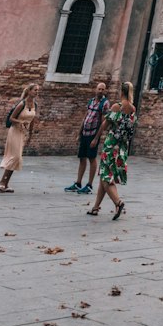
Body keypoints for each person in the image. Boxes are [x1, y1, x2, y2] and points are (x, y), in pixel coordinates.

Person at [88, 82, 136, 220]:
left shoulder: (117, 107)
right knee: (106, 174)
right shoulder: (133, 108)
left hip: (111, 145)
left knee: (105, 176)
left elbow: (106, 123)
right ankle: (95, 208)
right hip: (122, 147)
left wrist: (96, 138)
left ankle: (118, 202)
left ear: (121, 92)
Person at [67, 79, 110, 194]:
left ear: (105, 91)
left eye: (102, 89)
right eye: (99, 89)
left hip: (93, 134)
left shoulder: (104, 103)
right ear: (96, 89)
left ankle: (89, 185)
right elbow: (85, 117)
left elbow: (103, 123)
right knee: (82, 157)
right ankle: (78, 182)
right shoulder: (91, 101)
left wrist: (96, 138)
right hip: (85, 133)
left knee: (91, 158)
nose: (100, 91)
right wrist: (79, 133)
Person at [0, 85, 38, 192]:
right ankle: (2, 182)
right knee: (15, 157)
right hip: (15, 131)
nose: (36, 92)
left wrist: (30, 134)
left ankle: (5, 184)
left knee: (17, 158)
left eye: (38, 90)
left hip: (23, 133)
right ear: (29, 91)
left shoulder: (35, 105)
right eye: (35, 90)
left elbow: (32, 120)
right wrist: (21, 122)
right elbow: (11, 118)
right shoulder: (22, 104)